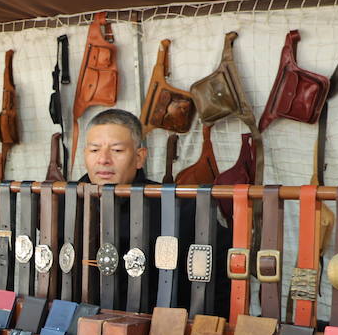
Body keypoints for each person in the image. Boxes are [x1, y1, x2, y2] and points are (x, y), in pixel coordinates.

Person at [78, 109, 227, 313]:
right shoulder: (63, 205)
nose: (103, 159)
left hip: (158, 332)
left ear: (139, 157)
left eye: (117, 150)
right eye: (94, 150)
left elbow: (219, 276)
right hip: (76, 330)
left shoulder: (178, 207)